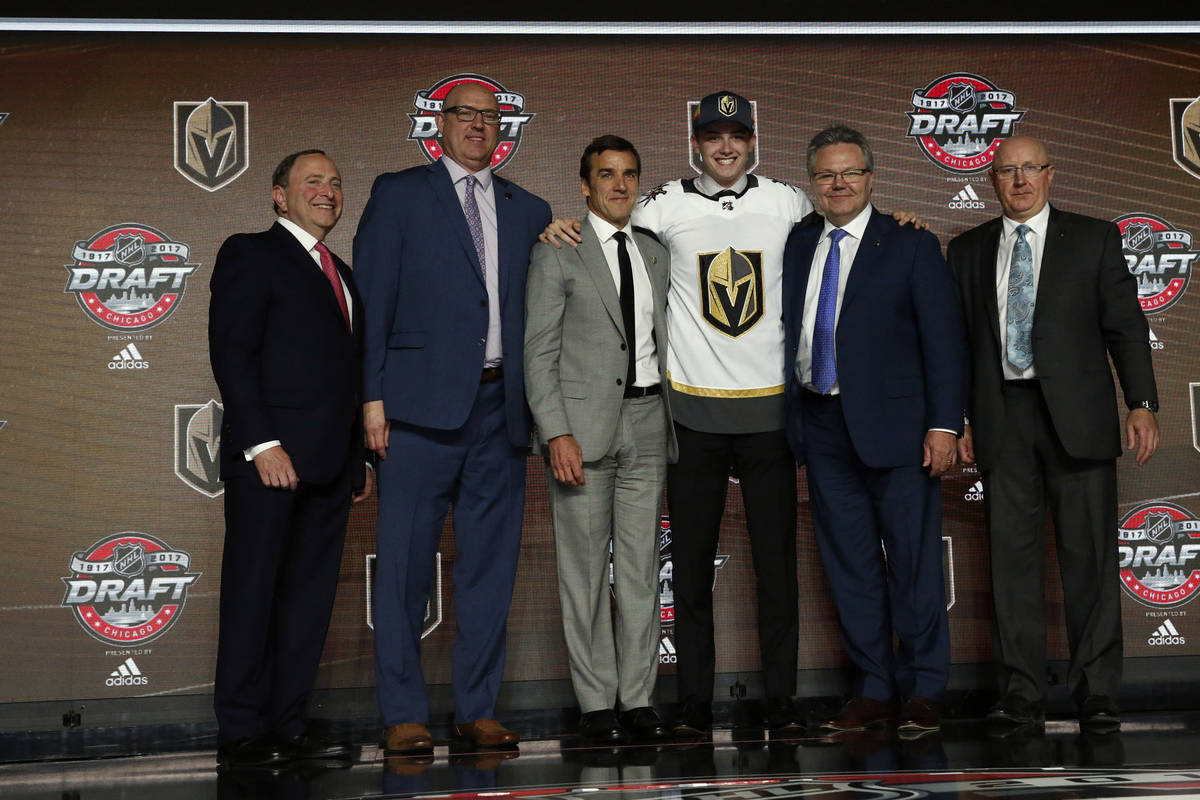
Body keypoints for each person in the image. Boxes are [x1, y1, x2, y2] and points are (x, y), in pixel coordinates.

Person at [354, 79, 552, 754]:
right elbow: (372, 300)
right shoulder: (400, 193)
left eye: (490, 116)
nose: (478, 125)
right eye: (465, 114)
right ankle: (403, 713)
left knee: (489, 571)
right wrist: (370, 397)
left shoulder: (531, 210)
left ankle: (477, 709)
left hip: (501, 410)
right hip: (415, 412)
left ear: (503, 130)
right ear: (441, 123)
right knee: (405, 566)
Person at [947, 134, 1159, 730]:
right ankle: (1021, 693)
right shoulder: (965, 250)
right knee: (1011, 563)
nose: (1019, 181)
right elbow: (957, 346)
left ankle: (1098, 692)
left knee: (1089, 558)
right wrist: (958, 416)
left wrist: (1141, 403)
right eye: (1007, 171)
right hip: (1001, 416)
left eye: (1030, 169)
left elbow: (1126, 327)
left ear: (1050, 174)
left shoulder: (1094, 238)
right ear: (991, 180)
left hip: (1079, 417)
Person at [782, 125, 967, 734]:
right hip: (822, 424)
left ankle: (923, 688)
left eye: (851, 173)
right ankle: (874, 686)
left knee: (913, 562)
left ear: (871, 178)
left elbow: (943, 341)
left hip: (900, 429)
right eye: (826, 174)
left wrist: (945, 424)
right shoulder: (798, 241)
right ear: (813, 182)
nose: (838, 184)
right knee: (850, 565)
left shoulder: (910, 242)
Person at [209, 149, 371, 767]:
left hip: (331, 467)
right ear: (280, 195)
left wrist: (356, 460)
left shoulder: (344, 273)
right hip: (268, 463)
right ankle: (243, 732)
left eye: (335, 181)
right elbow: (233, 353)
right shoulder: (249, 252)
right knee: (254, 593)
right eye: (312, 181)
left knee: (307, 601)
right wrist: (261, 444)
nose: (327, 191)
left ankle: (288, 723)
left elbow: (347, 375)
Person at [524, 135, 674, 744]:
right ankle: (595, 705)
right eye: (606, 175)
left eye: (629, 175)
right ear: (584, 185)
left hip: (648, 420)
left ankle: (637, 701)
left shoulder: (654, 252)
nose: (620, 185)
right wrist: (555, 430)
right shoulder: (558, 250)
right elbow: (539, 353)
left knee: (639, 572)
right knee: (583, 575)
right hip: (581, 432)